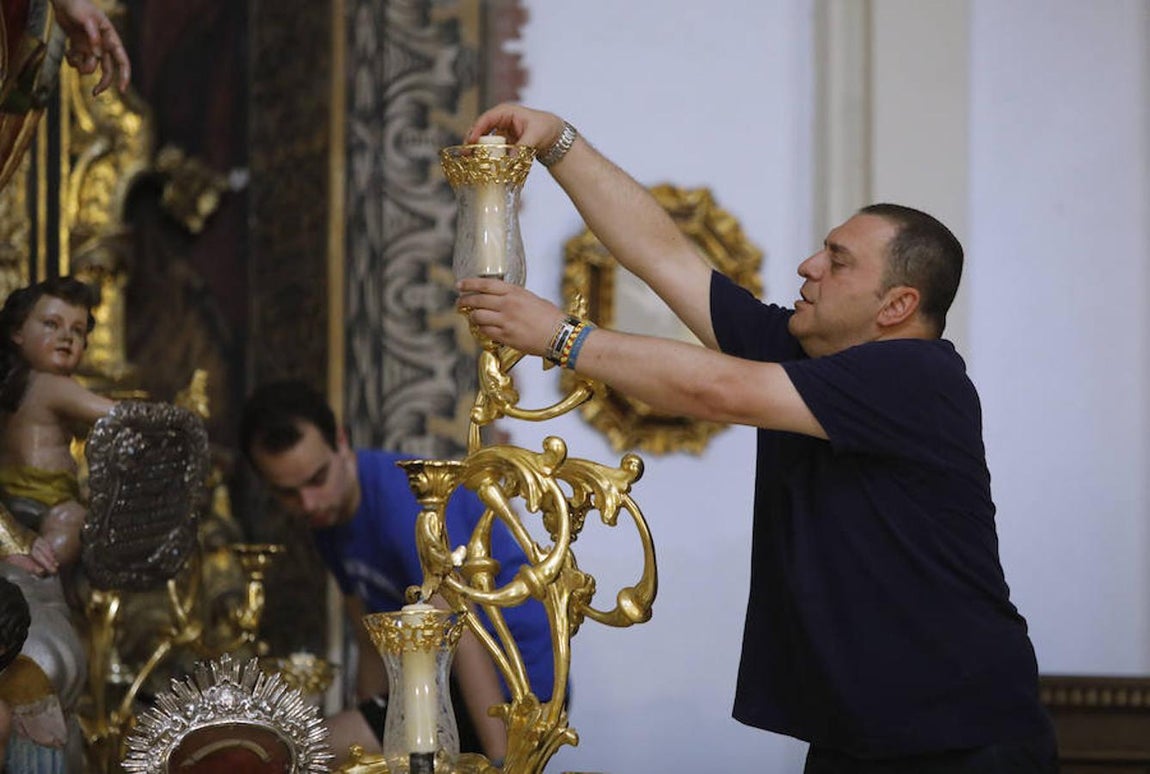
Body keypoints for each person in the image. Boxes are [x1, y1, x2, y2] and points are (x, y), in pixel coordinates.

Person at [454, 103, 1058, 773]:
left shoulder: (919, 377)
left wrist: (559, 337)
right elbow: (666, 259)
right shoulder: (810, 354)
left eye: (838, 260)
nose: (808, 265)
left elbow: (718, 391)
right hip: (857, 734)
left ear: (898, 306)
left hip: (962, 740)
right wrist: (558, 142)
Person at [239, 380, 556, 767]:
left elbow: (465, 636)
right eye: (287, 493)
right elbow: (368, 633)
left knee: (304, 750)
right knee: (326, 750)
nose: (308, 503)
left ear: (340, 441)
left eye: (317, 479)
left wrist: (506, 759)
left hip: (513, 685)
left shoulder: (401, 508)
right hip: (438, 685)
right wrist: (367, 727)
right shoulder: (329, 518)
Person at [0, 276, 114, 577]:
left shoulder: (21, 385)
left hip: (13, 495)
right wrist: (158, 414)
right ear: (17, 332)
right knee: (76, 519)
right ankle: (40, 569)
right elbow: (113, 414)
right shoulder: (53, 384)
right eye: (52, 324)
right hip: (46, 497)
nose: (66, 336)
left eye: (77, 330)